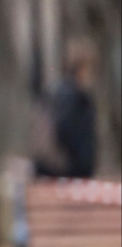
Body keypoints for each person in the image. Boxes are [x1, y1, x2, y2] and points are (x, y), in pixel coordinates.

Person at [33, 39, 98, 179]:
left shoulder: (56, 93)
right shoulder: (77, 99)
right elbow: (66, 129)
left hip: (54, 168)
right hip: (70, 170)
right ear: (82, 68)